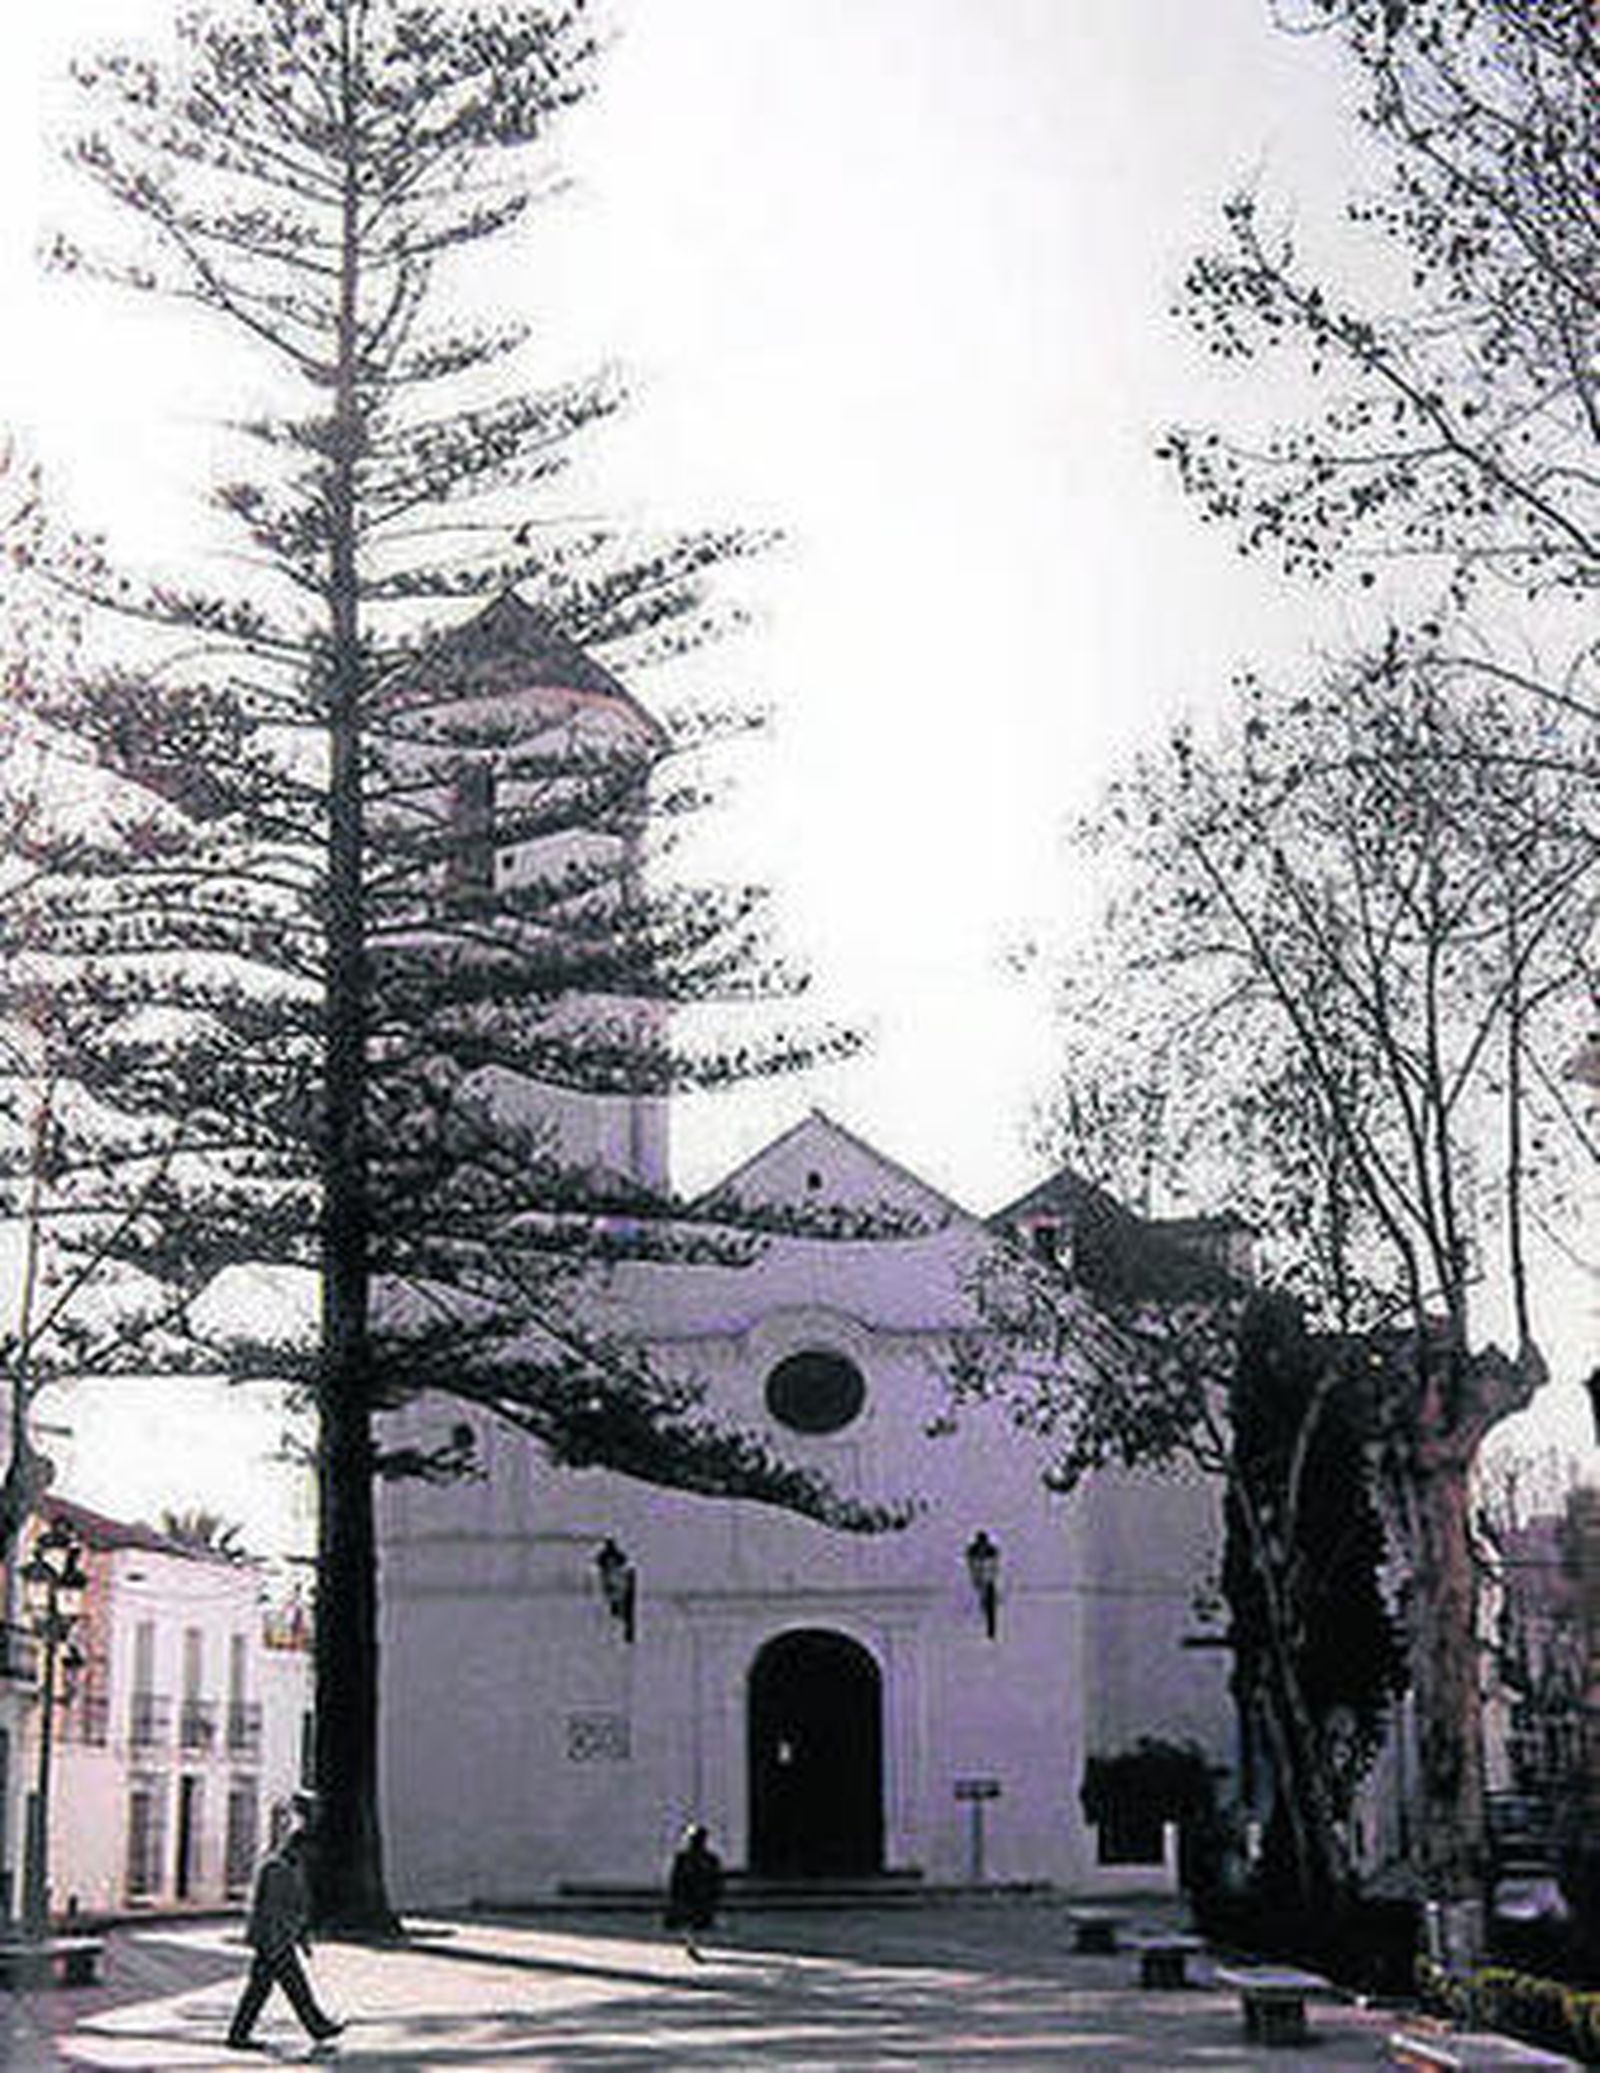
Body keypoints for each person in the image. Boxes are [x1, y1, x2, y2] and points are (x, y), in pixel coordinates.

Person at [227, 1802, 345, 2051]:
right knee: (293, 1986)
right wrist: (275, 1943)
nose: (310, 1856)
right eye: (307, 1850)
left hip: (279, 1938)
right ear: (297, 1847)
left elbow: (296, 1907)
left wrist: (300, 1936)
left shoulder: (291, 1867)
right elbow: (269, 1910)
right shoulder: (276, 1868)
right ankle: (317, 2026)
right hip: (274, 1939)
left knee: (260, 1989)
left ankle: (239, 2034)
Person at [664, 1822, 723, 1962]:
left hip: (698, 1896)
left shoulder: (708, 1859)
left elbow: (716, 1879)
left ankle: (692, 1944)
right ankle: (692, 1944)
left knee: (695, 1923)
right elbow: (676, 1878)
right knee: (690, 1922)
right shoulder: (685, 1858)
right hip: (690, 1896)